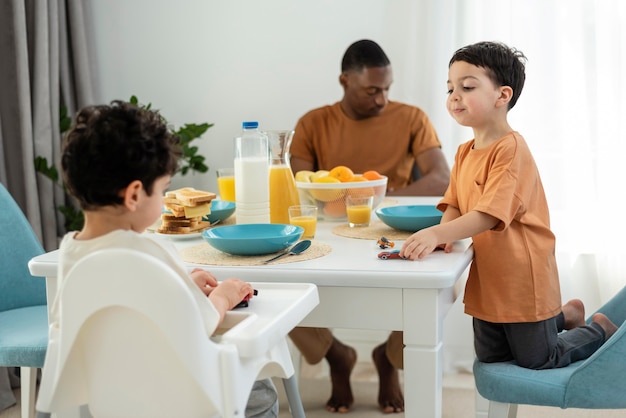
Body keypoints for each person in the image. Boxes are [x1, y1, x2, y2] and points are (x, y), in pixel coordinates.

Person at [400, 41, 618, 371]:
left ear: (502, 96)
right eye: (449, 88)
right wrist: (445, 236)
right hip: (489, 275)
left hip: (522, 275)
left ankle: (596, 327)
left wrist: (434, 233)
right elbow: (456, 203)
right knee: (491, 356)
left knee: (539, 357)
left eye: (467, 86)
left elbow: (488, 214)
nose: (454, 96)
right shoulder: (464, 152)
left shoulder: (511, 150)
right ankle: (565, 314)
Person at [56, 100, 279, 417]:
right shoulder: (149, 251)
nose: (163, 202)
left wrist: (181, 286)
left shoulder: (71, 254)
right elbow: (203, 320)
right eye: (162, 191)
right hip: (178, 401)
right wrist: (222, 296)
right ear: (134, 194)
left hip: (110, 402)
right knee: (260, 386)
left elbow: (119, 303)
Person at [288, 39, 450, 414]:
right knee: (270, 279)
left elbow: (442, 179)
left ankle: (390, 358)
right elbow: (299, 186)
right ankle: (334, 356)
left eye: (387, 89)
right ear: (345, 80)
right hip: (328, 233)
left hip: (395, 229)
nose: (382, 99)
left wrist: (374, 198)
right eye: (372, 90)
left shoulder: (411, 117)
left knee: (445, 280)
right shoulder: (313, 123)